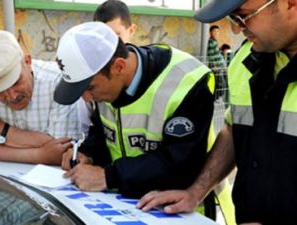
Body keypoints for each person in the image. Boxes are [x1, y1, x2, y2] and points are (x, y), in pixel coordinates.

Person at [54, 21, 234, 222]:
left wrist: (109, 176)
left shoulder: (186, 81)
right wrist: (87, 153)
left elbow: (181, 163)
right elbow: (103, 132)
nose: (86, 98)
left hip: (178, 213)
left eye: (90, 88)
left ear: (118, 66)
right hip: (125, 208)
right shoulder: (105, 84)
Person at [137, 0, 297, 224]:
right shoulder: (245, 60)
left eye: (243, 16)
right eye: (232, 18)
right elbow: (233, 130)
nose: (236, 28)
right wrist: (195, 192)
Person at [0, 30, 90, 165]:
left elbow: (61, 153)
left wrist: (2, 130)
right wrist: (39, 154)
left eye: (16, 82)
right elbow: (49, 152)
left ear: (27, 61)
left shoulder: (58, 83)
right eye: (0, 91)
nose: (12, 96)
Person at [206, 25, 228, 103]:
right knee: (221, 84)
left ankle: (214, 99)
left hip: (218, 67)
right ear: (210, 32)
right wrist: (214, 66)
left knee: (217, 84)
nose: (216, 33)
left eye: (217, 31)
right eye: (214, 31)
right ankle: (217, 98)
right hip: (215, 68)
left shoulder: (214, 41)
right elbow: (210, 55)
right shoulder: (211, 42)